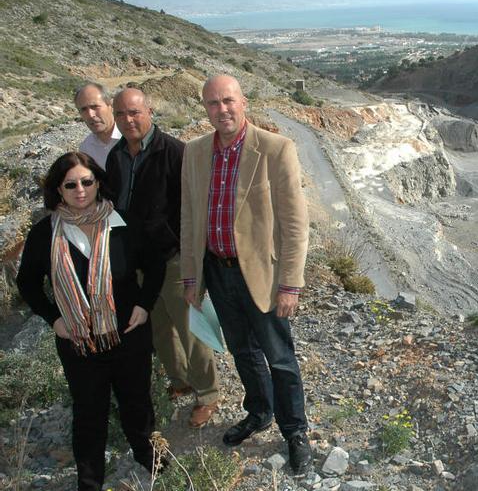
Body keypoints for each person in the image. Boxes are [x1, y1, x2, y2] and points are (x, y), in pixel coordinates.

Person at [180, 75, 311, 473]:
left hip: (264, 277)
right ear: (205, 108)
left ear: (244, 102)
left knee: (280, 357)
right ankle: (259, 411)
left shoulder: (275, 149)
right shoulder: (195, 152)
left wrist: (290, 282)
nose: (222, 110)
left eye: (228, 101)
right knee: (242, 351)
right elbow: (189, 218)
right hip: (217, 273)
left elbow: (294, 223)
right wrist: (191, 277)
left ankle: (295, 431)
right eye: (213, 103)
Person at [16, 152, 165, 490]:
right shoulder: (45, 234)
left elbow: (155, 265)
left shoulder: (123, 223)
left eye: (87, 181)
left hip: (129, 335)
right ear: (58, 190)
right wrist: (53, 319)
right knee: (88, 411)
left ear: (98, 183)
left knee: (137, 401)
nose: (80, 189)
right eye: (70, 184)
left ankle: (146, 453)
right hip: (78, 342)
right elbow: (26, 282)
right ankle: (90, 478)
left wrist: (144, 305)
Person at [106, 87, 221, 428]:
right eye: (121, 115)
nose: (128, 120)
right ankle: (180, 380)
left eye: (134, 112)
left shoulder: (173, 151)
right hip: (139, 262)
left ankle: (208, 393)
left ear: (149, 112)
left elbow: (194, 207)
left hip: (173, 258)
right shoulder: (116, 156)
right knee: (159, 329)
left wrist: (191, 258)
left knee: (192, 329)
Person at [74, 83, 121, 169]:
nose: (90, 115)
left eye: (95, 107)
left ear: (110, 105)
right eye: (84, 109)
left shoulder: (131, 138)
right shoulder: (86, 149)